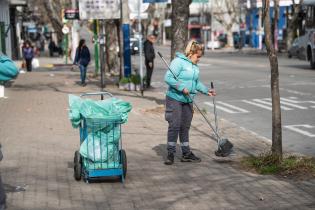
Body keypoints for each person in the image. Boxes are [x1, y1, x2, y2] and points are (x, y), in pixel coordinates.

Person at [164, 40, 216, 165]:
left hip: (188, 99)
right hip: (175, 98)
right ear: (191, 53)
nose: (199, 59)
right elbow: (168, 78)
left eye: (200, 57)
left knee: (185, 127)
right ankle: (170, 154)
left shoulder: (194, 66)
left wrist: (206, 91)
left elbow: (196, 83)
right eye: (198, 56)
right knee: (175, 125)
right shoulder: (178, 62)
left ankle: (186, 153)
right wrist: (181, 87)